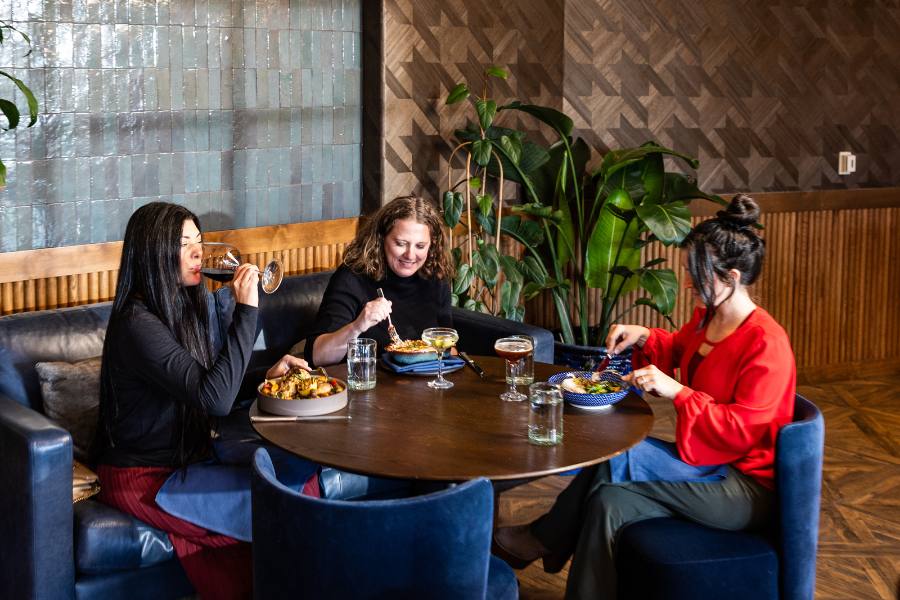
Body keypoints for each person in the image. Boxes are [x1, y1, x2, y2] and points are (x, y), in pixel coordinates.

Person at [492, 194, 796, 599]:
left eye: (698, 274)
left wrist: (680, 393)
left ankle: (537, 539)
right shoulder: (709, 319)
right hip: (705, 463)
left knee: (623, 455)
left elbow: (741, 431)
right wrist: (647, 336)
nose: (689, 282)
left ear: (733, 278)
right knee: (609, 503)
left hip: (742, 489)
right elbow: (680, 350)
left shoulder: (766, 343)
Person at [92, 202, 316, 600]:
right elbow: (214, 399)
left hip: (189, 458)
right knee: (272, 506)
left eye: (200, 241)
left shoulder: (183, 303)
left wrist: (265, 376)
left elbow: (209, 385)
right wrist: (247, 310)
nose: (199, 253)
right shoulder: (136, 323)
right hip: (144, 476)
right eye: (184, 244)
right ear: (153, 252)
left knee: (296, 480)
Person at [305, 196, 454, 366]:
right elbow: (317, 356)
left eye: (420, 246)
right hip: (366, 384)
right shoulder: (352, 277)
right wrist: (358, 326)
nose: (410, 255)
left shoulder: (436, 277)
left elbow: (448, 347)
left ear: (432, 245)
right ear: (381, 239)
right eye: (401, 243)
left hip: (423, 385)